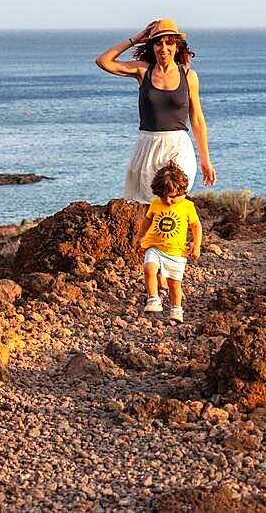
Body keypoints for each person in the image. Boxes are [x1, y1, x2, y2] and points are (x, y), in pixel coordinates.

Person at [95, 19, 216, 202]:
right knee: (148, 205)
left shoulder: (189, 76)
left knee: (174, 196)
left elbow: (197, 119)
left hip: (178, 146)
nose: (164, 48)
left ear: (177, 46)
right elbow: (103, 61)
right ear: (151, 46)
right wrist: (136, 39)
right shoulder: (143, 71)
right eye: (158, 42)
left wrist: (205, 160)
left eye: (169, 42)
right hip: (148, 145)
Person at [133, 161, 202, 323]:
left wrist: (196, 244)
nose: (168, 201)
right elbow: (147, 220)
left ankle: (176, 309)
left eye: (172, 197)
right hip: (154, 246)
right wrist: (140, 236)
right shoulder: (156, 204)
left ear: (182, 190)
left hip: (176, 252)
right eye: (165, 197)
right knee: (149, 269)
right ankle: (153, 298)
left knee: (174, 285)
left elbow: (196, 225)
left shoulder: (187, 206)